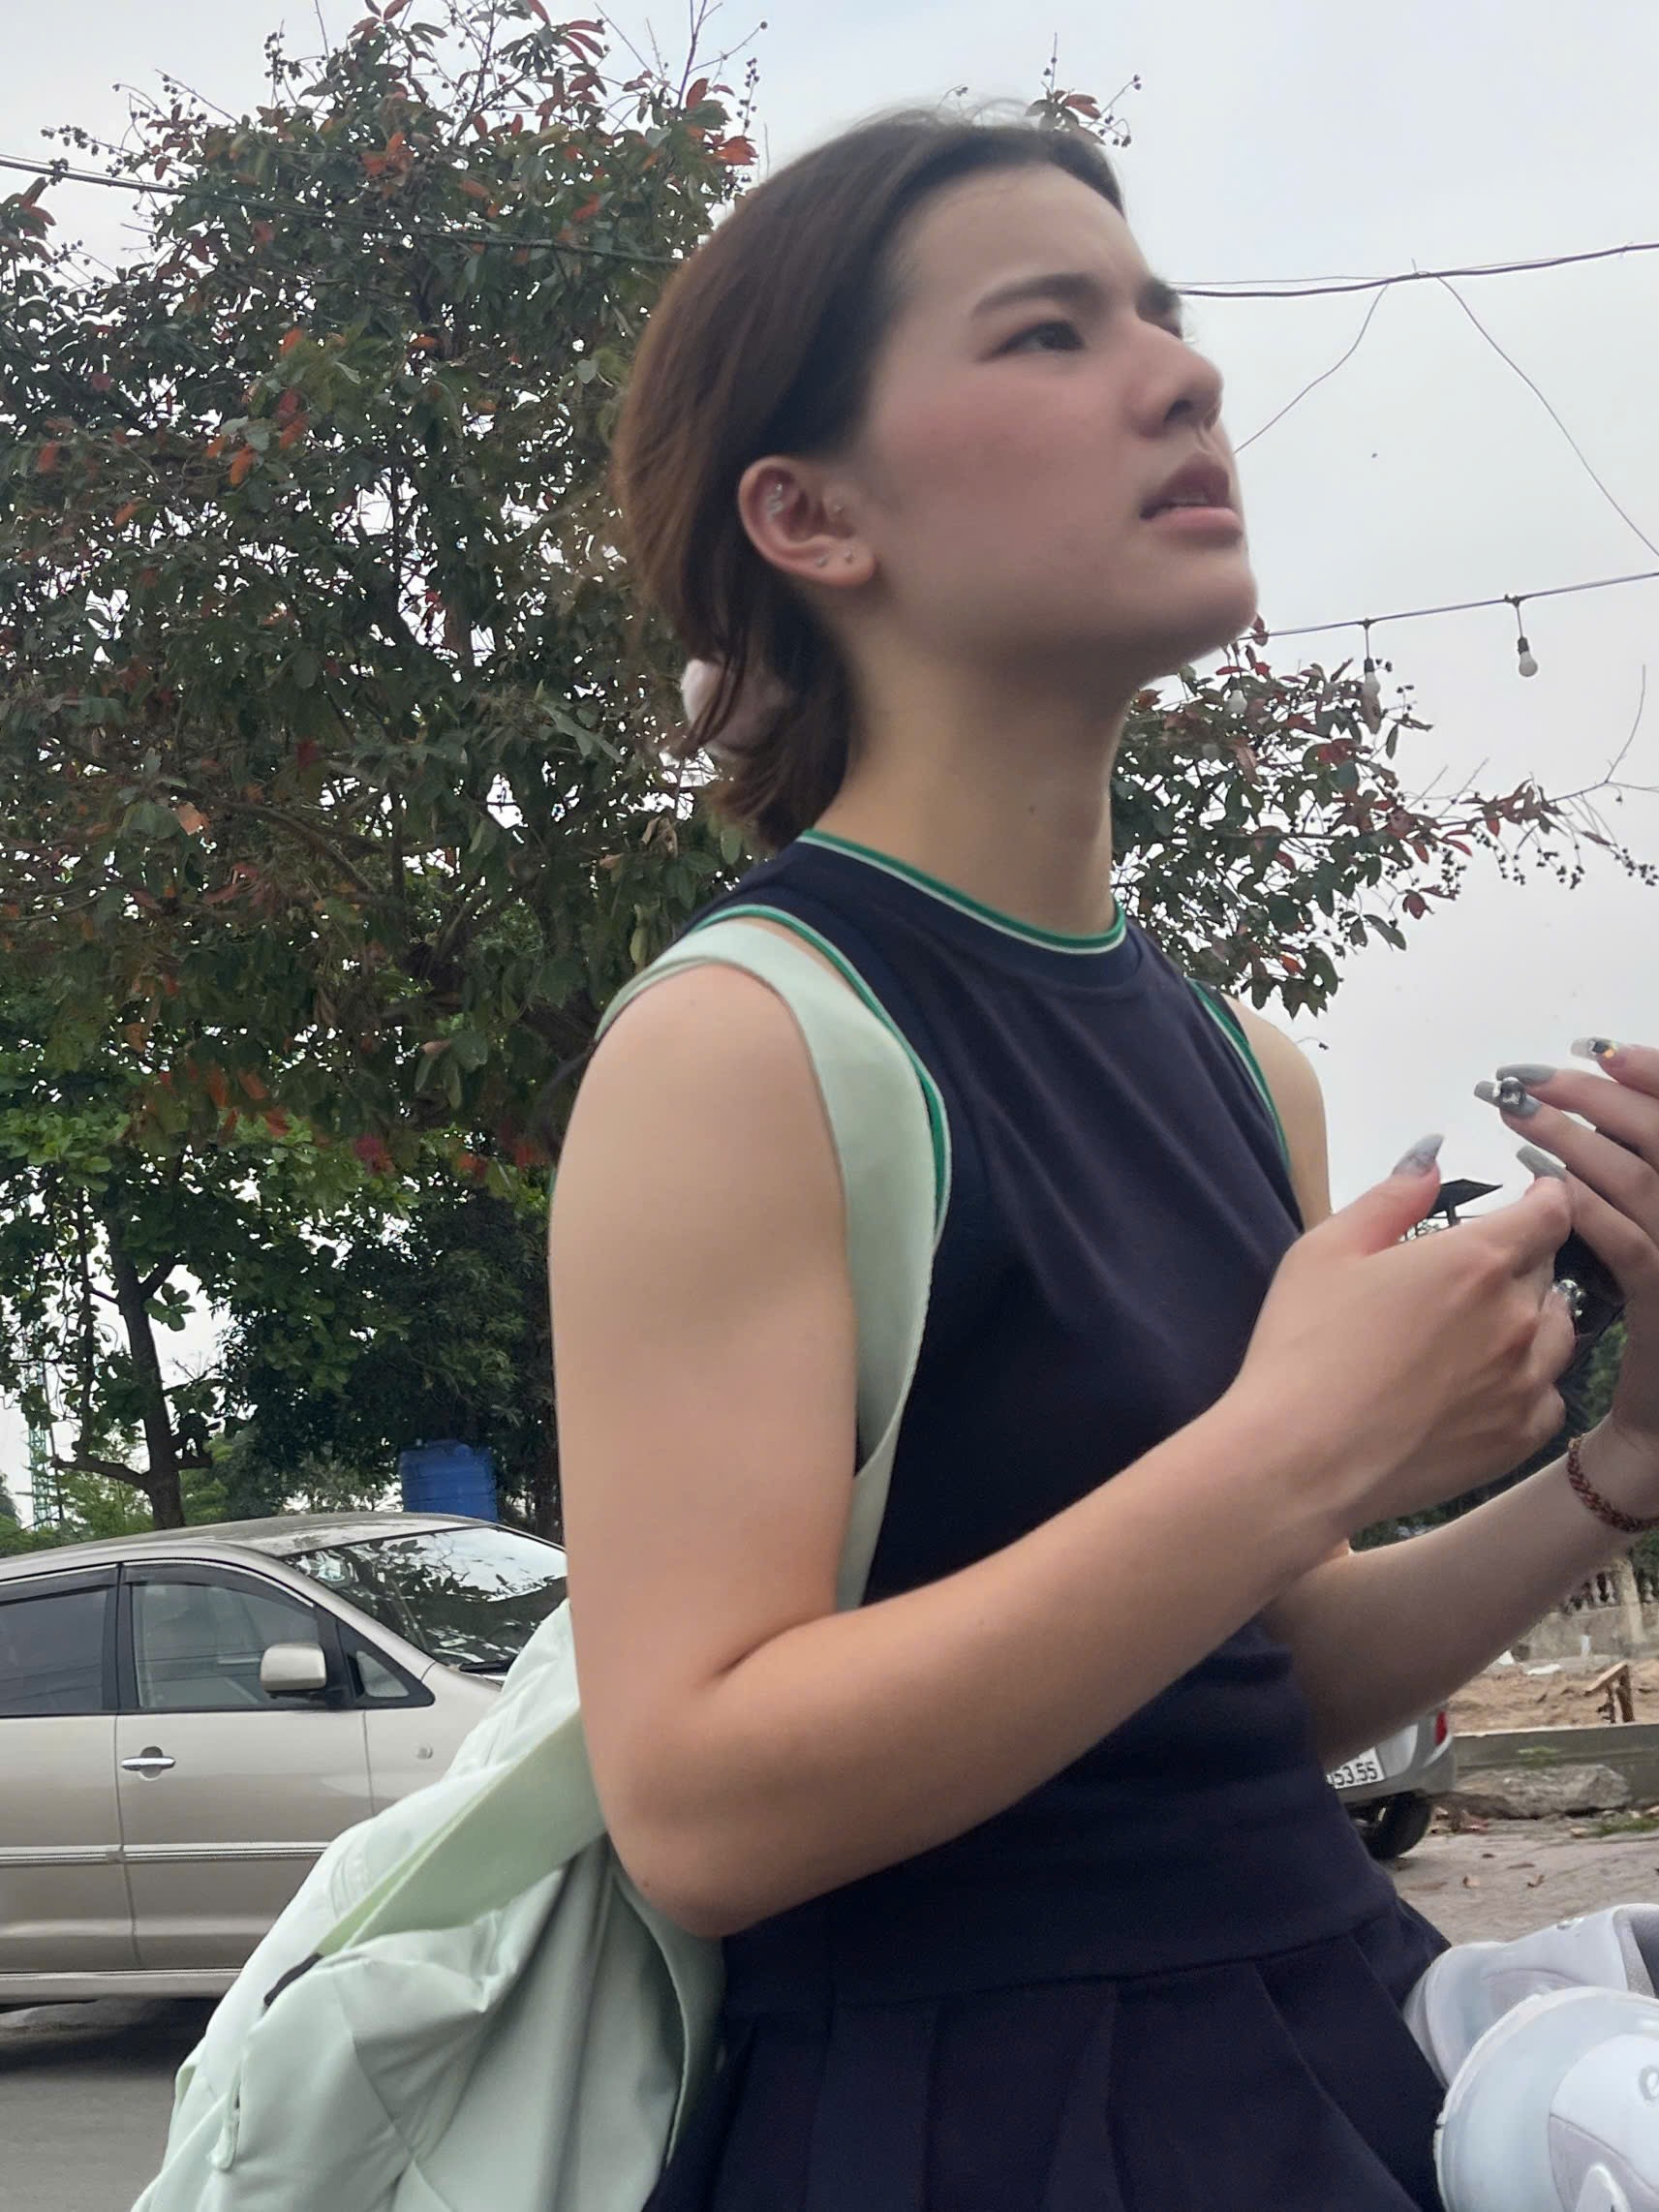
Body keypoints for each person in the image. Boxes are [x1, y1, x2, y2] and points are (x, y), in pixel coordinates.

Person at [549, 112, 1659, 2211]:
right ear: (809, 514)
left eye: (1158, 314)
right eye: (1048, 331)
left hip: (1329, 2045)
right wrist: (1297, 1444)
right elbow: (694, 1805)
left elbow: (1258, 1684)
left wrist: (1618, 1456)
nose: (1185, 375)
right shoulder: (742, 1045)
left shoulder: (1247, 1066)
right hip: (970, 2117)